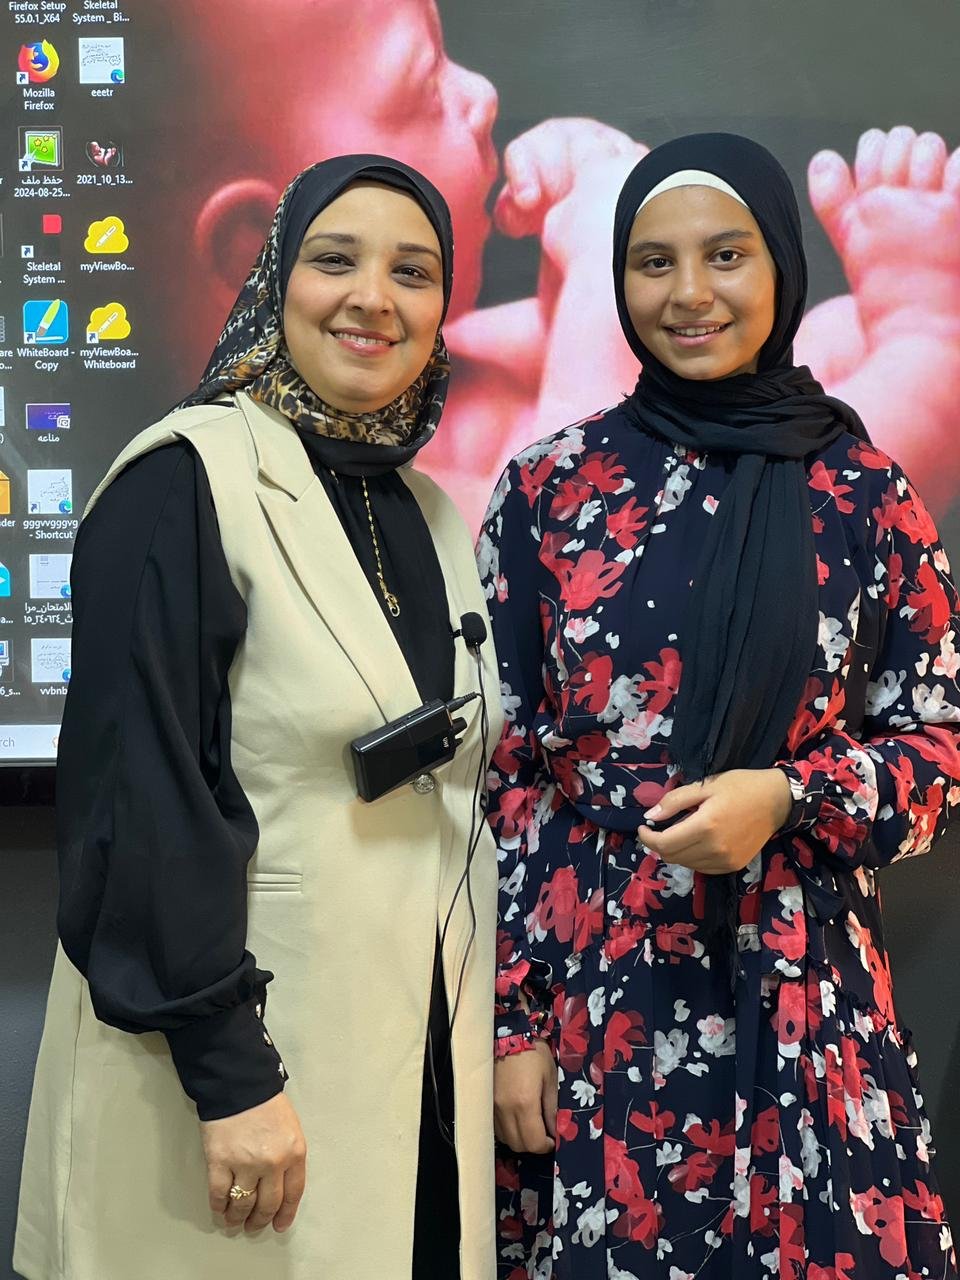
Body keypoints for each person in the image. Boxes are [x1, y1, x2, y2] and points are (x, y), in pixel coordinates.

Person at [480, 133, 959, 1278]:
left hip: (811, 1004)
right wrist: (512, 1025)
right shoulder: (548, 487)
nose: (689, 294)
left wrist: (790, 795)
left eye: (725, 255)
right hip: (600, 1011)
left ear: (781, 266)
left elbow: (939, 744)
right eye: (653, 262)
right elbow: (503, 775)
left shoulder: (862, 492)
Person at [15, 155, 502, 1280]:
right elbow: (141, 800)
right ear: (274, 278)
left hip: (403, 1058)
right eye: (335, 259)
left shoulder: (425, 508)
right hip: (223, 1073)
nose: (374, 297)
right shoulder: (183, 477)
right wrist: (231, 1072)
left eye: (414, 271)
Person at [142, 0, 960, 523]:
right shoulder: (316, 490)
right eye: (425, 87)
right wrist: (606, 232)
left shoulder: (428, 365)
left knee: (836, 340)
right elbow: (582, 517)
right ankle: (939, 344)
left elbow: (615, 375)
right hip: (667, 653)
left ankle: (900, 329)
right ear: (270, 246)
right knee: (824, 491)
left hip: (689, 509)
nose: (481, 94)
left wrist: (573, 269)